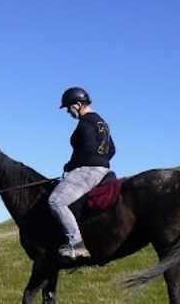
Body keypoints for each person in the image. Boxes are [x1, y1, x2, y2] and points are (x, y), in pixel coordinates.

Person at [48, 86, 116, 259]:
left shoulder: (85, 123)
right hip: (103, 168)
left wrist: (69, 167)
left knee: (56, 201)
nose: (68, 113)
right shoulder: (102, 122)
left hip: (89, 170)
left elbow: (86, 151)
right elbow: (112, 149)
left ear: (78, 104)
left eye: (69, 108)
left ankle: (76, 243)